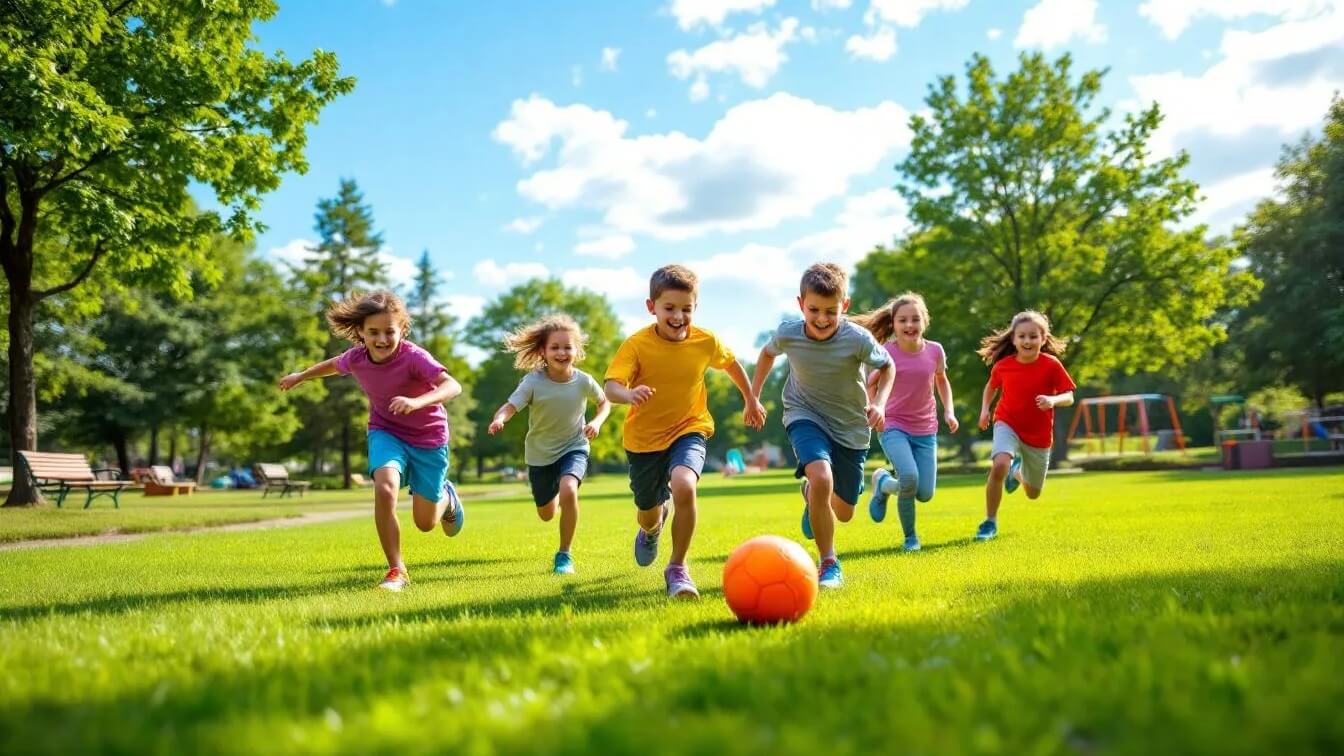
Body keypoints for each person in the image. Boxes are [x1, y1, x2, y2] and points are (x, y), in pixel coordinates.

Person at [279, 290, 465, 591]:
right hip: (386, 431)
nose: (381, 339)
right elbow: (333, 365)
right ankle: (397, 569)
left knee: (426, 522)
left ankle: (448, 499)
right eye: (373, 332)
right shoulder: (356, 357)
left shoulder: (414, 357)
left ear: (401, 330)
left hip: (428, 437)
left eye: (389, 332)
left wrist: (418, 402)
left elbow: (452, 385)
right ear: (360, 334)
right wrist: (301, 376)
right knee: (385, 486)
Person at [604, 264, 766, 599]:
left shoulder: (705, 341)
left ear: (695, 307)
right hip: (644, 441)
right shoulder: (636, 345)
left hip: (689, 428)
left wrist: (750, 399)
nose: (678, 316)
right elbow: (610, 387)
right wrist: (629, 395)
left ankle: (677, 567)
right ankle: (652, 527)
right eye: (669, 308)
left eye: (686, 309)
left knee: (684, 484)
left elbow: (732, 364)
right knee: (648, 512)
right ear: (652, 308)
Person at [750, 263, 893, 589]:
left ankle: (811, 495)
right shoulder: (789, 333)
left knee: (843, 512)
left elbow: (888, 366)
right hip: (804, 414)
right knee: (820, 475)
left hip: (851, 427)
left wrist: (881, 403)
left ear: (845, 305)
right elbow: (766, 354)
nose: (822, 318)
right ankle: (829, 562)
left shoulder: (857, 338)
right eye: (814, 309)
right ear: (801, 304)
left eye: (831, 311)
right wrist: (754, 397)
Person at [488, 314, 611, 575]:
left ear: (577, 351)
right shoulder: (533, 381)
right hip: (540, 455)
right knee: (546, 513)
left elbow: (604, 402)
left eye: (568, 347)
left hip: (574, 446)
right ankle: (552, 498)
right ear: (543, 351)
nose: (562, 352)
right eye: (555, 347)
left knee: (569, 489)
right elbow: (511, 406)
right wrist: (500, 418)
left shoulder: (583, 381)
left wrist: (597, 422)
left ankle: (564, 555)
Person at [851, 292, 958, 552]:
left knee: (924, 493)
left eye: (915, 319)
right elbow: (871, 383)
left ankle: (883, 484)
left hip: (926, 429)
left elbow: (941, 380)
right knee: (909, 477)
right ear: (894, 324)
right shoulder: (886, 352)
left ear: (924, 321)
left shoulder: (935, 351)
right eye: (903, 320)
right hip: (893, 425)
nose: (909, 325)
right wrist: (878, 408)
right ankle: (911, 538)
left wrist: (949, 411)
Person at [974, 310, 1076, 541]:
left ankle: (1017, 473)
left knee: (1033, 494)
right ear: (1013, 339)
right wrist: (984, 410)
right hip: (1007, 422)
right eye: (1022, 336)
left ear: (1043, 338)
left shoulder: (1051, 365)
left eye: (1033, 336)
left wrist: (1053, 400)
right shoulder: (1003, 366)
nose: (1027, 341)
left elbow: (1069, 396)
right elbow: (991, 387)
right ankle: (989, 522)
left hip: (1038, 436)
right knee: (999, 464)